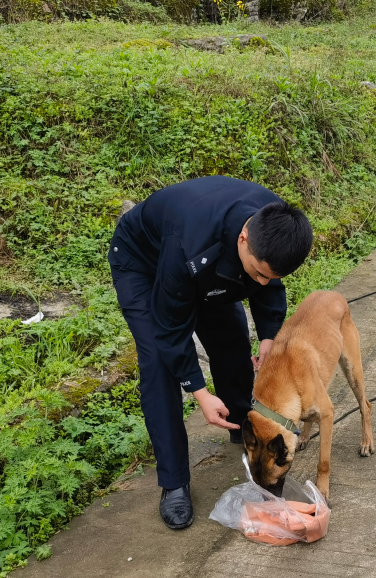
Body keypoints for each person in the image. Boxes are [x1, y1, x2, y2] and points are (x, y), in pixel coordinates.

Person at [108, 176, 313, 529]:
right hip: (144, 262)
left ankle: (241, 426)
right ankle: (174, 482)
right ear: (244, 238)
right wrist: (200, 393)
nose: (262, 282)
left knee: (230, 335)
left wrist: (268, 337)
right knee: (159, 362)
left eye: (270, 276)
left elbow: (269, 282)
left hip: (205, 254)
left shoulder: (275, 224)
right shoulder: (188, 245)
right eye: (258, 273)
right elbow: (170, 329)